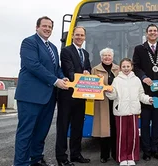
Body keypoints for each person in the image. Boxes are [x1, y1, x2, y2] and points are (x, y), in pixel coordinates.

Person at [14, 16, 68, 166]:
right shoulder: (29, 42)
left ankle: (36, 159)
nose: (47, 29)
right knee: (26, 132)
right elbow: (33, 65)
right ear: (37, 27)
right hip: (30, 96)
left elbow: (56, 68)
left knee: (41, 131)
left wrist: (63, 78)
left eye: (50, 27)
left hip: (48, 97)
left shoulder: (53, 47)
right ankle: (21, 163)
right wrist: (56, 81)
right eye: (44, 26)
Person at [132, 24, 158, 161]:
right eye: (150, 31)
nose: (153, 33)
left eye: (155, 31)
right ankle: (146, 151)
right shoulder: (139, 49)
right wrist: (143, 77)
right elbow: (135, 67)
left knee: (157, 123)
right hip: (144, 93)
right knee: (144, 124)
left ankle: (155, 149)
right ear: (146, 33)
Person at [105, 58, 153, 166]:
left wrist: (148, 99)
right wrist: (109, 92)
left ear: (131, 67)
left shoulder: (136, 80)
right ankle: (122, 158)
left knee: (134, 135)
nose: (126, 69)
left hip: (134, 111)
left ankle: (131, 156)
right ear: (120, 68)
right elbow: (113, 96)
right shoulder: (117, 80)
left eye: (128, 66)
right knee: (121, 135)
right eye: (124, 67)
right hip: (121, 112)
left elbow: (141, 95)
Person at [55, 26, 91, 166]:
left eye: (82, 35)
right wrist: (81, 77)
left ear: (84, 37)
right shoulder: (66, 51)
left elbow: (87, 67)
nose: (79, 37)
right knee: (63, 128)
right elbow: (69, 70)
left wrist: (87, 72)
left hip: (81, 95)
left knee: (78, 126)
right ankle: (62, 158)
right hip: (67, 95)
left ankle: (76, 155)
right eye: (77, 35)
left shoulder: (86, 53)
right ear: (73, 36)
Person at [91, 48, 119, 163]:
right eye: (104, 55)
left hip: (116, 103)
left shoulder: (118, 69)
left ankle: (116, 154)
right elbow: (91, 87)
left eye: (109, 55)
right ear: (101, 57)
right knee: (104, 130)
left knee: (115, 129)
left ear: (112, 57)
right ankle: (104, 155)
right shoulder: (95, 70)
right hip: (102, 103)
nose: (107, 57)